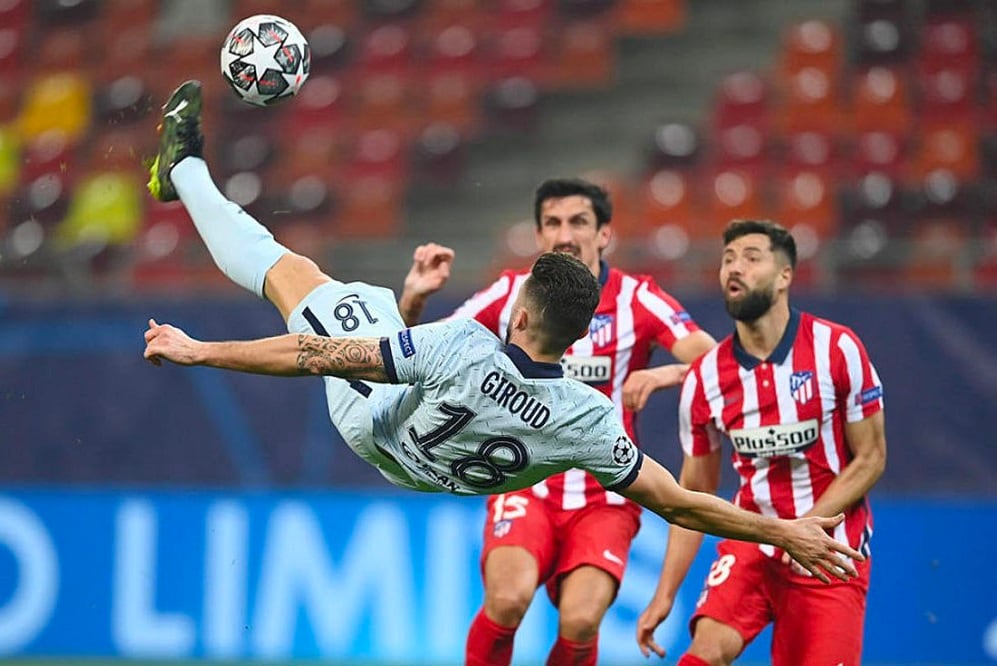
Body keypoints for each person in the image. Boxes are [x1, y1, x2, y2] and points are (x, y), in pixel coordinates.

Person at [142, 79, 864, 647]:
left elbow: (311, 354)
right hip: (443, 475)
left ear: (518, 313)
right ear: (581, 338)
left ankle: (186, 173)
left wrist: (197, 350)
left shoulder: (464, 344)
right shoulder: (587, 417)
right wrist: (783, 529)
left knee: (294, 276)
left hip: (377, 428)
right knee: (526, 599)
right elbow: (679, 501)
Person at [397, 178, 716, 666]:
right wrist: (414, 299)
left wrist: (667, 371)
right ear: (539, 235)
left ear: (605, 233)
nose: (565, 235)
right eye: (553, 223)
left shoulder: (638, 300)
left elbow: (717, 364)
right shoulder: (510, 294)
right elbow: (420, 349)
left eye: (579, 222)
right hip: (523, 480)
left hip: (606, 495)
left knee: (581, 620)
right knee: (506, 601)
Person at [635, 219, 887, 666]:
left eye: (751, 257)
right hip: (753, 541)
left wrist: (804, 528)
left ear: (785, 275)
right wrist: (664, 594)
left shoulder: (837, 348)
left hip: (831, 550)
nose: (735, 267)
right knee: (703, 655)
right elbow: (693, 495)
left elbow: (870, 458)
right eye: (728, 259)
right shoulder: (706, 378)